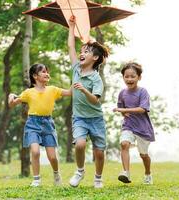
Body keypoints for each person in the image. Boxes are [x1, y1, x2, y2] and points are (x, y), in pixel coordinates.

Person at [8, 63, 72, 187]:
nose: (47, 73)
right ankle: (36, 179)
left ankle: (56, 173)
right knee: (35, 151)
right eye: (43, 71)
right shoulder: (28, 92)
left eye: (47, 71)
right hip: (33, 123)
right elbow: (12, 104)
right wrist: (10, 97)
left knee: (52, 157)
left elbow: (70, 92)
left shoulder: (53, 90)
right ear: (35, 76)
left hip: (48, 124)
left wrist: (79, 78)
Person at [67, 15, 109, 189]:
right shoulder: (76, 69)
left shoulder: (96, 79)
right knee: (80, 144)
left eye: (86, 52)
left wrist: (84, 90)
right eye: (82, 51)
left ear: (95, 58)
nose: (81, 53)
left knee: (99, 153)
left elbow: (95, 101)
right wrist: (71, 26)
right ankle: (80, 171)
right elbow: (70, 46)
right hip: (79, 118)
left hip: (96, 119)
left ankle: (98, 178)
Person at [113, 62, 155, 185]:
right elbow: (121, 107)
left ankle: (148, 173)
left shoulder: (143, 92)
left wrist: (125, 110)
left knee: (143, 155)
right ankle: (126, 172)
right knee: (124, 144)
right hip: (128, 126)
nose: (129, 79)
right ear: (123, 77)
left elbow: (142, 109)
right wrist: (123, 113)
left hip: (143, 129)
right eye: (127, 76)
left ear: (139, 77)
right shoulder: (122, 93)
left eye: (133, 76)